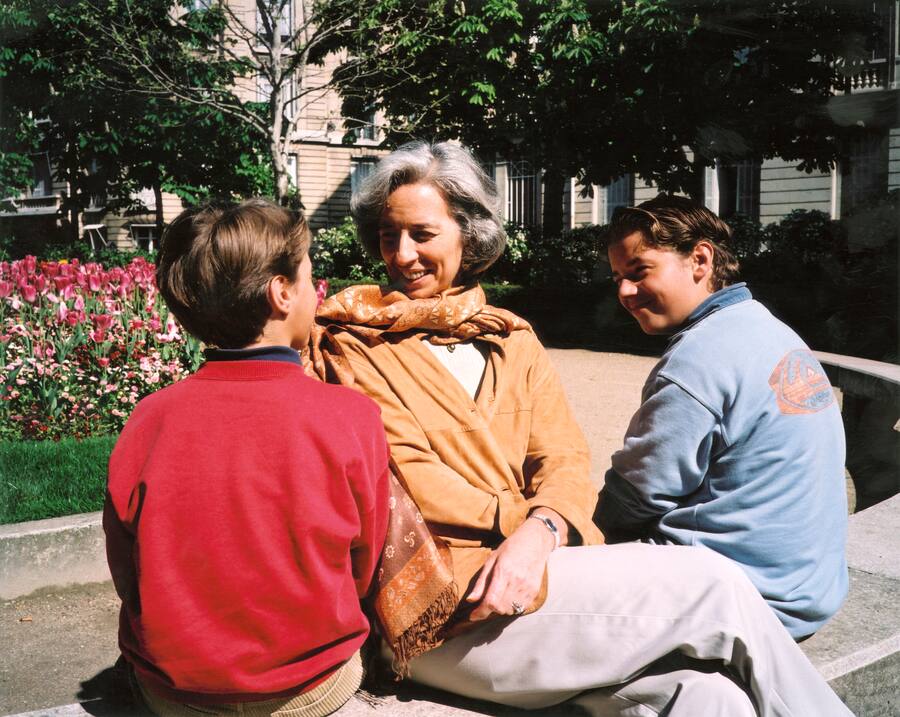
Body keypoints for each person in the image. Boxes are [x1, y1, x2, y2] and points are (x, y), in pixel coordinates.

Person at [310, 141, 852, 716]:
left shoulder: (511, 336)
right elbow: (409, 475)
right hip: (446, 604)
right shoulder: (351, 345)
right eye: (389, 236)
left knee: (710, 699)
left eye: (422, 234)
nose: (402, 254)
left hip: (543, 575)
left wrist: (540, 533)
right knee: (713, 584)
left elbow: (564, 456)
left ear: (467, 233)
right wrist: (534, 527)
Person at [104, 200, 390, 716]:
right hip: (310, 688)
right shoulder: (351, 416)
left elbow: (128, 570)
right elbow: (363, 567)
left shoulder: (149, 418)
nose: (316, 291)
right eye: (309, 278)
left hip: (177, 695)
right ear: (281, 293)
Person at [594, 195, 848, 641]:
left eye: (639, 271)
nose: (624, 292)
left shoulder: (698, 360)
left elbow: (634, 497)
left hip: (746, 601)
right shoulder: (768, 329)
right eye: (617, 278)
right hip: (809, 590)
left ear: (700, 259)